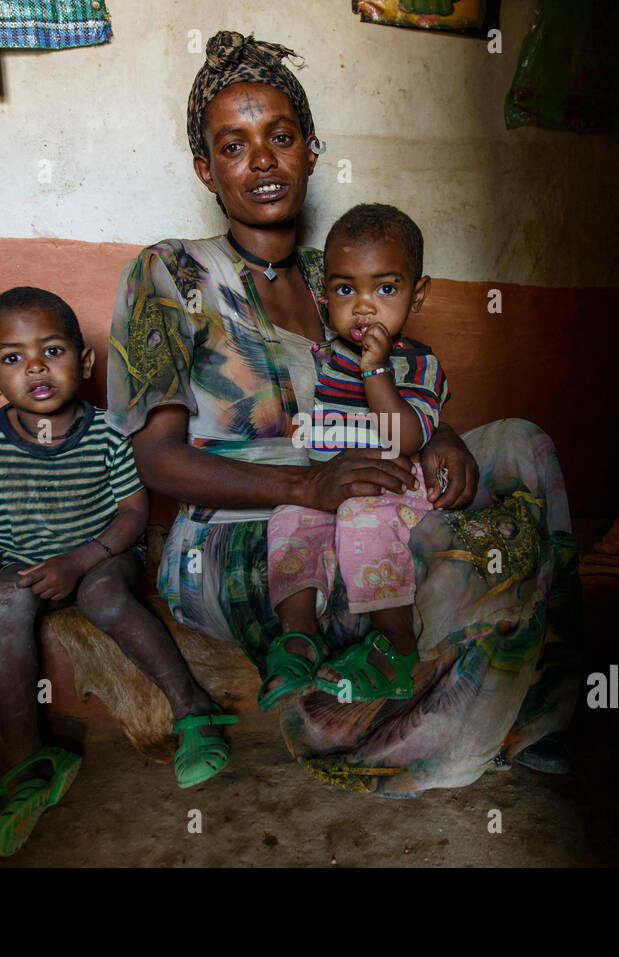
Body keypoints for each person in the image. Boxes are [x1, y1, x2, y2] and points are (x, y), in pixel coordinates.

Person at [109, 31, 580, 796]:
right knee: (433, 553)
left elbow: (393, 389)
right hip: (238, 534)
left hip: (362, 493)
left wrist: (444, 436)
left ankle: (548, 710)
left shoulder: (341, 286)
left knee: (521, 447)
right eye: (234, 145)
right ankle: (360, 718)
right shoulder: (171, 273)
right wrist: (304, 488)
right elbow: (155, 459)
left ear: (311, 151)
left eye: (281, 137)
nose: (262, 161)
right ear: (206, 168)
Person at [0, 287, 235, 857]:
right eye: (12, 358)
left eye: (51, 350)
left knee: (104, 599)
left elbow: (134, 514)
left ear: (84, 364)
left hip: (103, 554)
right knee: (4, 604)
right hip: (21, 560)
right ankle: (28, 760)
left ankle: (192, 709)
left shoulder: (107, 431)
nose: (34, 367)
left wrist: (81, 561)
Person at [263, 203, 448, 707]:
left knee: (363, 521)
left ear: (419, 292)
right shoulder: (329, 359)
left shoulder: (420, 364)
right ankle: (299, 638)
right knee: (288, 519)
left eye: (385, 289)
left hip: (393, 492)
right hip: (338, 489)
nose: (364, 307)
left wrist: (377, 372)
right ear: (326, 299)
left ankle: (397, 648)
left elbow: (406, 438)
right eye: (347, 290)